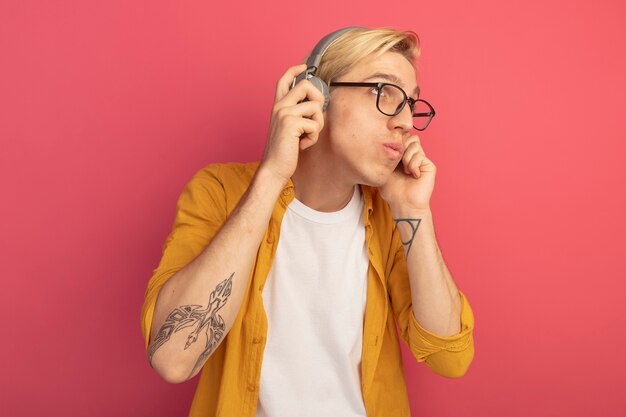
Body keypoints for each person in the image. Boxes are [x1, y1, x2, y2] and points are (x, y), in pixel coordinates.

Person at [140, 26, 475, 417]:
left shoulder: (390, 219)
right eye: (385, 93)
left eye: (411, 105)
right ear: (317, 94)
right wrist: (271, 175)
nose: (404, 121)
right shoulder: (218, 192)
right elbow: (173, 358)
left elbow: (450, 357)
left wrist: (413, 211)